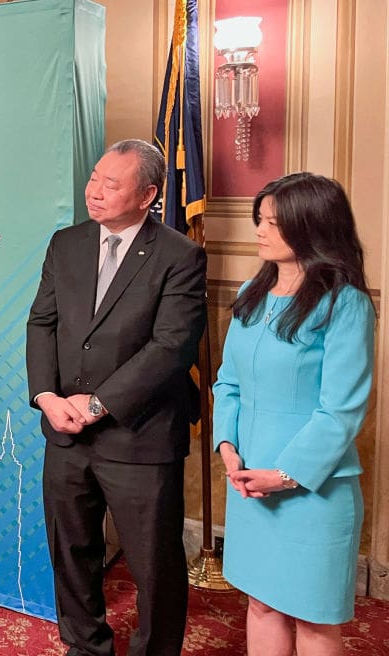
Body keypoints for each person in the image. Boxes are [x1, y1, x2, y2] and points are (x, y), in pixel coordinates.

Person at [26, 139, 207, 656]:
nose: (95, 192)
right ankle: (85, 648)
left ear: (148, 193)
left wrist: (98, 403)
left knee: (154, 567)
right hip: (63, 431)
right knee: (72, 554)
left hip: (140, 438)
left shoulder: (180, 254)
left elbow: (171, 347)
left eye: (111, 184)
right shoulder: (66, 243)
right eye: (93, 179)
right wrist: (44, 395)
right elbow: (43, 322)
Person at [213, 172, 374, 656]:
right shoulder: (251, 293)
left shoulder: (345, 304)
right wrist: (227, 448)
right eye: (259, 220)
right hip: (247, 485)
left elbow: (341, 412)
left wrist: (283, 476)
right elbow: (228, 382)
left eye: (273, 223)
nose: (259, 231)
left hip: (312, 491)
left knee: (314, 621)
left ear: (312, 226)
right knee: (261, 606)